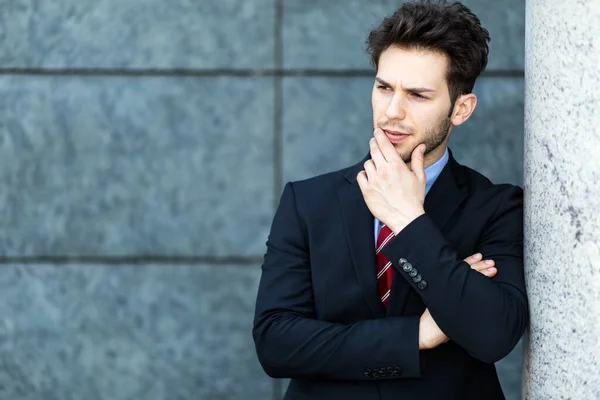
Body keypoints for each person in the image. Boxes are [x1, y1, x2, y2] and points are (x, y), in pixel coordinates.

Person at [252, 1, 528, 398]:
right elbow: (276, 343)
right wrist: (419, 333)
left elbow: (493, 334)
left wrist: (410, 222)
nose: (391, 112)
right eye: (384, 88)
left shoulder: (497, 208)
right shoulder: (308, 201)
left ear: (461, 109)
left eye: (417, 95)